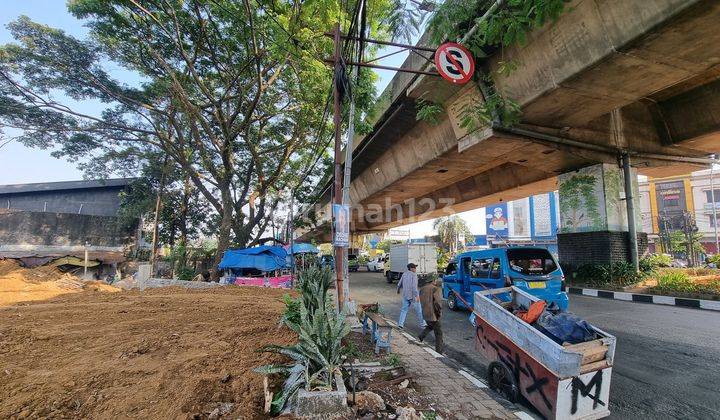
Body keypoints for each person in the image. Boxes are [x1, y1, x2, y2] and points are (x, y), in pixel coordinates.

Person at [397, 263, 427, 329]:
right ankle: (423, 324)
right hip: (413, 296)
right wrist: (417, 296)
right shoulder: (414, 275)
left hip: (405, 295)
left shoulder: (404, 274)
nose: (415, 269)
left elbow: (399, 284)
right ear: (411, 268)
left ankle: (400, 324)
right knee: (419, 310)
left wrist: (398, 290)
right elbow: (414, 287)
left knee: (404, 310)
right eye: (414, 268)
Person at [418, 277, 444, 354]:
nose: (436, 281)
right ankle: (439, 352)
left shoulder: (422, 289)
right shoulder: (435, 289)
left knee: (430, 326)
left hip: (425, 313)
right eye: (435, 280)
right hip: (433, 314)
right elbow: (437, 303)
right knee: (439, 333)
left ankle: (421, 336)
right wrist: (439, 313)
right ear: (432, 281)